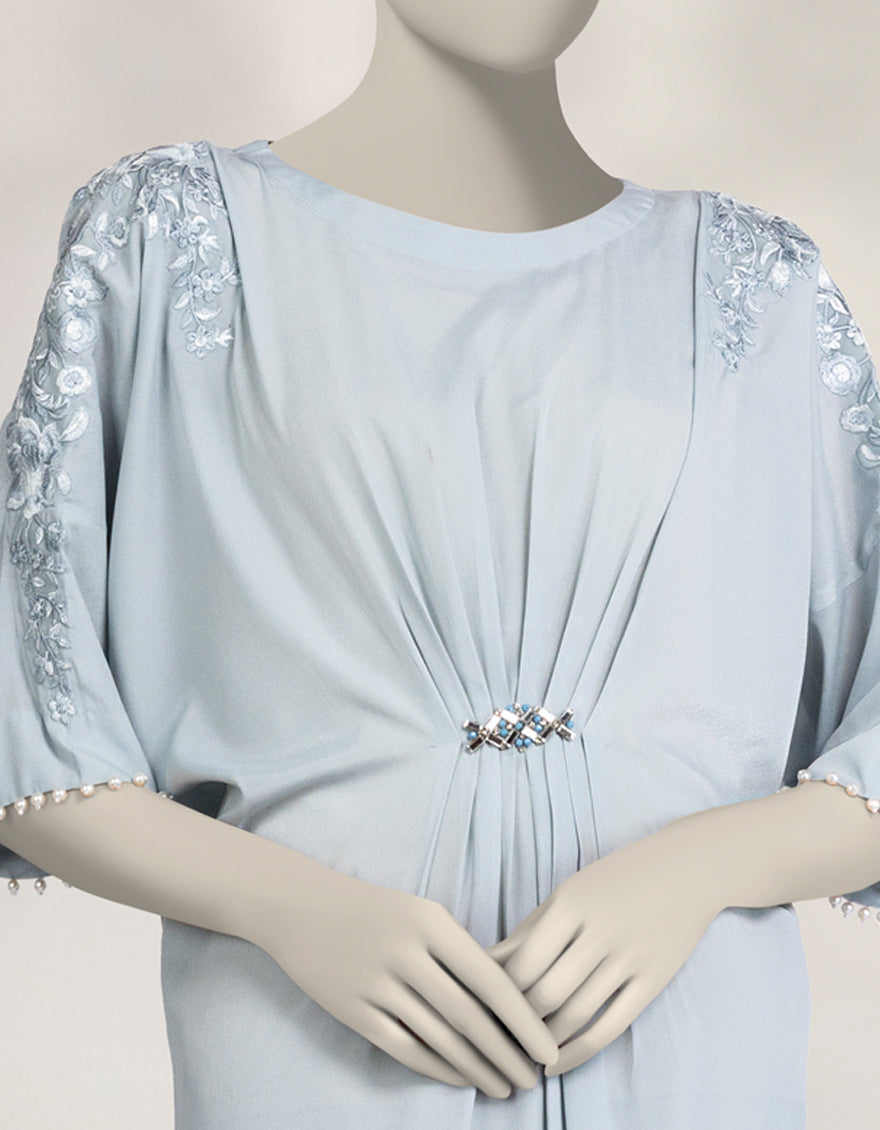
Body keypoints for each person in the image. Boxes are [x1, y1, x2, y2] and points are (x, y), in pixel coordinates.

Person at [2, 1, 880, 1126]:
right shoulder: (171, 236)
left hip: (692, 1043)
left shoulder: (758, 283)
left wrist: (701, 867)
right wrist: (292, 906)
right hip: (318, 1044)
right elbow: (35, 718)